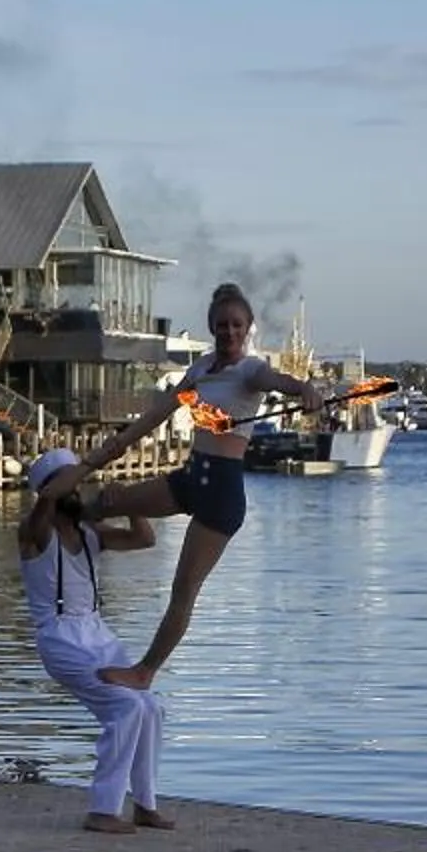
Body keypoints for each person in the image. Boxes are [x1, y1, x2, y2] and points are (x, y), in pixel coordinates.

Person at [69, 283, 325, 690]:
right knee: (101, 501)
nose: (229, 331)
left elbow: (280, 380)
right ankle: (129, 539)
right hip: (190, 477)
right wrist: (115, 447)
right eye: (222, 324)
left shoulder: (250, 371)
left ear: (248, 328)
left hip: (220, 495)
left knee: (183, 587)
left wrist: (306, 389)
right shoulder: (200, 371)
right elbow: (159, 414)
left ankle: (144, 672)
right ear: (211, 326)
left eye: (236, 325)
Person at [16, 446, 171, 834]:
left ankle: (145, 805)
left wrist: (128, 503)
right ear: (50, 491)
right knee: (125, 709)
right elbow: (49, 499)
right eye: (69, 485)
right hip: (61, 637)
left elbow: (144, 538)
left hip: (98, 634)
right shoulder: (35, 532)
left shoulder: (89, 533)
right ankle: (102, 811)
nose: (76, 491)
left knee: (149, 707)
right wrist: (77, 472)